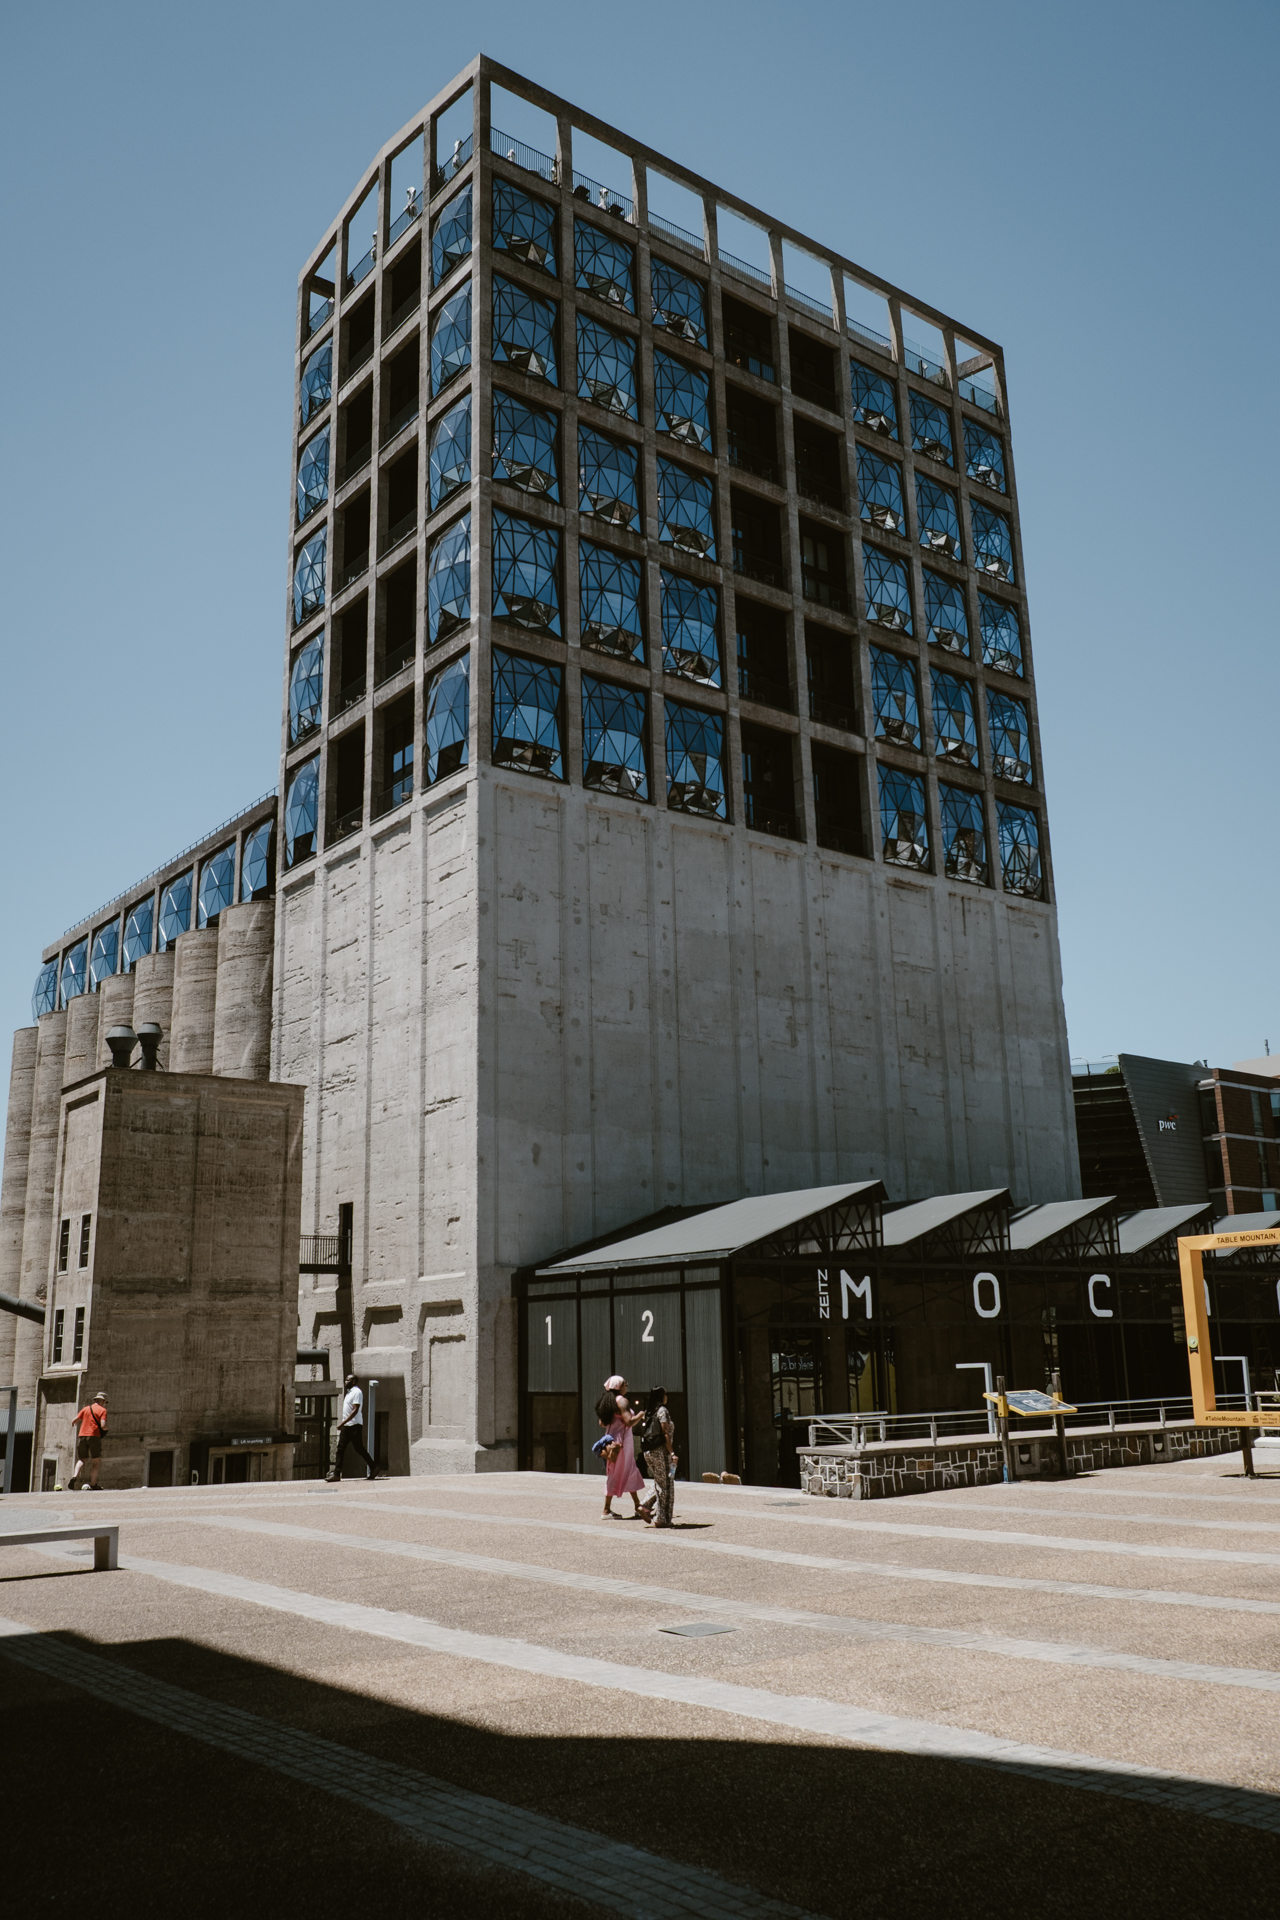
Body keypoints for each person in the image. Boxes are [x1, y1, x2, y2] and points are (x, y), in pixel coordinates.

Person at [598, 1374, 650, 1520]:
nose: (627, 1386)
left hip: (611, 1442)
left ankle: (637, 1505)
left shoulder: (608, 1401)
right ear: (619, 1386)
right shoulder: (622, 1401)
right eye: (625, 1384)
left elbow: (602, 1423)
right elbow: (629, 1421)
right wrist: (641, 1414)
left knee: (622, 1471)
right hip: (622, 1443)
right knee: (625, 1471)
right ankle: (607, 1510)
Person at [328, 1375, 378, 1482]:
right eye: (345, 1379)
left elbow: (355, 1410)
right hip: (347, 1426)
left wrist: (343, 1423)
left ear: (354, 1381)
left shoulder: (357, 1392)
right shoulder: (349, 1393)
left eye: (348, 1380)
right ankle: (336, 1474)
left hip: (354, 1425)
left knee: (358, 1448)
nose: (345, 1381)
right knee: (340, 1449)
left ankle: (374, 1467)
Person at [640, 1385, 677, 1527]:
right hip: (660, 1451)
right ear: (662, 1397)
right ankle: (662, 1518)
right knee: (666, 1485)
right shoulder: (662, 1410)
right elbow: (665, 1432)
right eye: (665, 1395)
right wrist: (672, 1452)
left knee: (660, 1481)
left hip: (648, 1451)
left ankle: (645, 1505)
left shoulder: (649, 1411)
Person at [68, 1391, 108, 1490]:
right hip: (94, 1436)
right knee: (96, 1461)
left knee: (82, 1459)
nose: (105, 1404)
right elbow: (103, 1425)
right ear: (102, 1401)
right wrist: (106, 1429)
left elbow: (74, 1421)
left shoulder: (86, 1409)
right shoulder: (103, 1410)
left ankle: (74, 1476)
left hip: (82, 1436)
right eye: (105, 1402)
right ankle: (93, 1484)